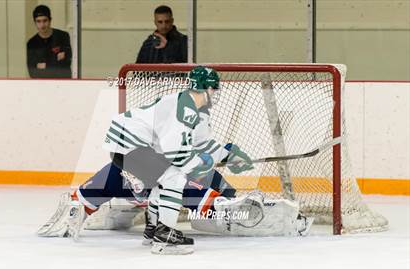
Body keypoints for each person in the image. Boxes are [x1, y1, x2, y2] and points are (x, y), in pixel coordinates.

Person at [37, 66, 313, 254]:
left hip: (138, 147)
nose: (217, 94)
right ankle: (165, 235)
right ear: (203, 89)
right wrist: (201, 164)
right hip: (129, 143)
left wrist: (230, 155)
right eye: (214, 89)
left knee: (164, 180)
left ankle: (154, 231)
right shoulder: (183, 110)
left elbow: (204, 144)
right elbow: (179, 155)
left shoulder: (198, 110)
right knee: (174, 177)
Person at [27, 5, 72, 78]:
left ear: (50, 20)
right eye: (38, 21)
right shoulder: (31, 43)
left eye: (45, 20)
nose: (42, 25)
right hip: (42, 85)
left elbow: (66, 64)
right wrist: (56, 61)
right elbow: (32, 73)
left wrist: (44, 65)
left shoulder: (63, 36)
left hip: (62, 83)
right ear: (34, 22)